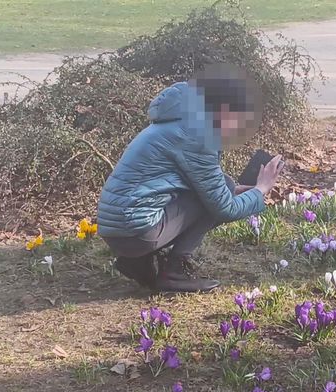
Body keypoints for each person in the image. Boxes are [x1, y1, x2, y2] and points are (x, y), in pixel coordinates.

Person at [97, 64, 281, 293]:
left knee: (225, 186)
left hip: (116, 230)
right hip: (137, 232)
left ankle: (138, 261)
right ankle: (174, 272)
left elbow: (177, 183)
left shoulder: (176, 122)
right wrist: (260, 189)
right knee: (217, 196)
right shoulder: (198, 134)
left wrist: (236, 190)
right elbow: (224, 209)